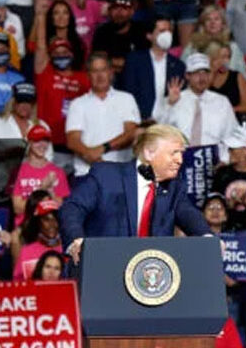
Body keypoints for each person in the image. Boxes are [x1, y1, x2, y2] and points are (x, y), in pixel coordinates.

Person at [58, 124, 210, 260]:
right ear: (149, 153)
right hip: (102, 265)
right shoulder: (107, 176)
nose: (180, 160)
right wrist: (76, 240)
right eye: (174, 153)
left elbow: (188, 213)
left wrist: (207, 236)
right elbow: (72, 208)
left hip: (149, 277)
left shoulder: (175, 187)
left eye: (181, 153)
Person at [65, 53, 141, 177]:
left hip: (121, 172)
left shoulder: (126, 99)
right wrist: (96, 160)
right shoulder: (77, 104)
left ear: (111, 72)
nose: (100, 76)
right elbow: (73, 141)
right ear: (88, 75)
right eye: (94, 71)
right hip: (86, 173)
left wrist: (104, 148)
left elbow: (130, 134)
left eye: (103, 70)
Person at [155, 53, 236, 158]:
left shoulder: (222, 102)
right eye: (196, 73)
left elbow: (231, 135)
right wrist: (170, 104)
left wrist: (224, 160)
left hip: (214, 161)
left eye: (205, 73)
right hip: (180, 161)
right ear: (187, 76)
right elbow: (160, 133)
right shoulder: (175, 99)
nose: (202, 78)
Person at [117, 18, 185, 120]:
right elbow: (128, 92)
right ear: (149, 35)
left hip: (168, 122)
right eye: (162, 31)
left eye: (169, 31)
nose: (167, 35)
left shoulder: (178, 65)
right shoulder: (135, 60)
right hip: (140, 121)